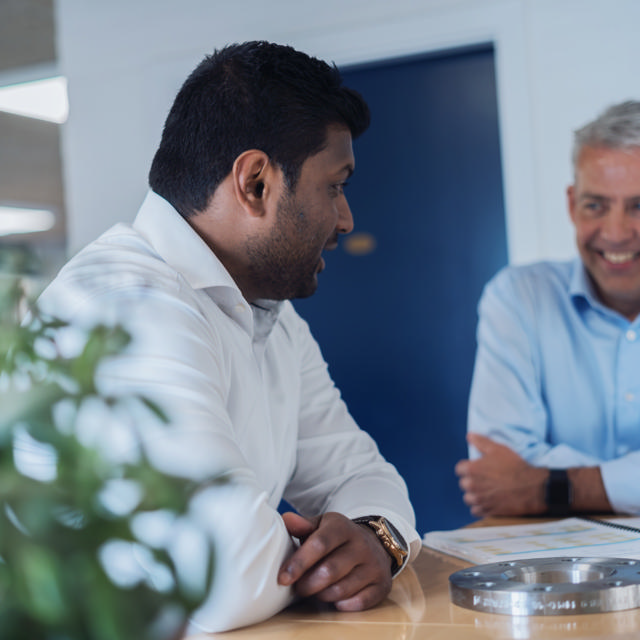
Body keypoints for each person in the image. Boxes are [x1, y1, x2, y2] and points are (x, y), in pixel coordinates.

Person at [36, 41, 420, 633]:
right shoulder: (124, 305)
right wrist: (318, 563)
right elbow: (218, 573)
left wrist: (375, 540)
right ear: (257, 182)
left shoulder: (268, 312)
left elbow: (357, 474)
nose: (345, 220)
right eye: (335, 186)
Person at [455, 100, 640, 519]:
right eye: (596, 205)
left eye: (638, 207)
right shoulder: (519, 297)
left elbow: (520, 478)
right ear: (573, 205)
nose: (615, 233)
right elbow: (498, 465)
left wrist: (549, 487)